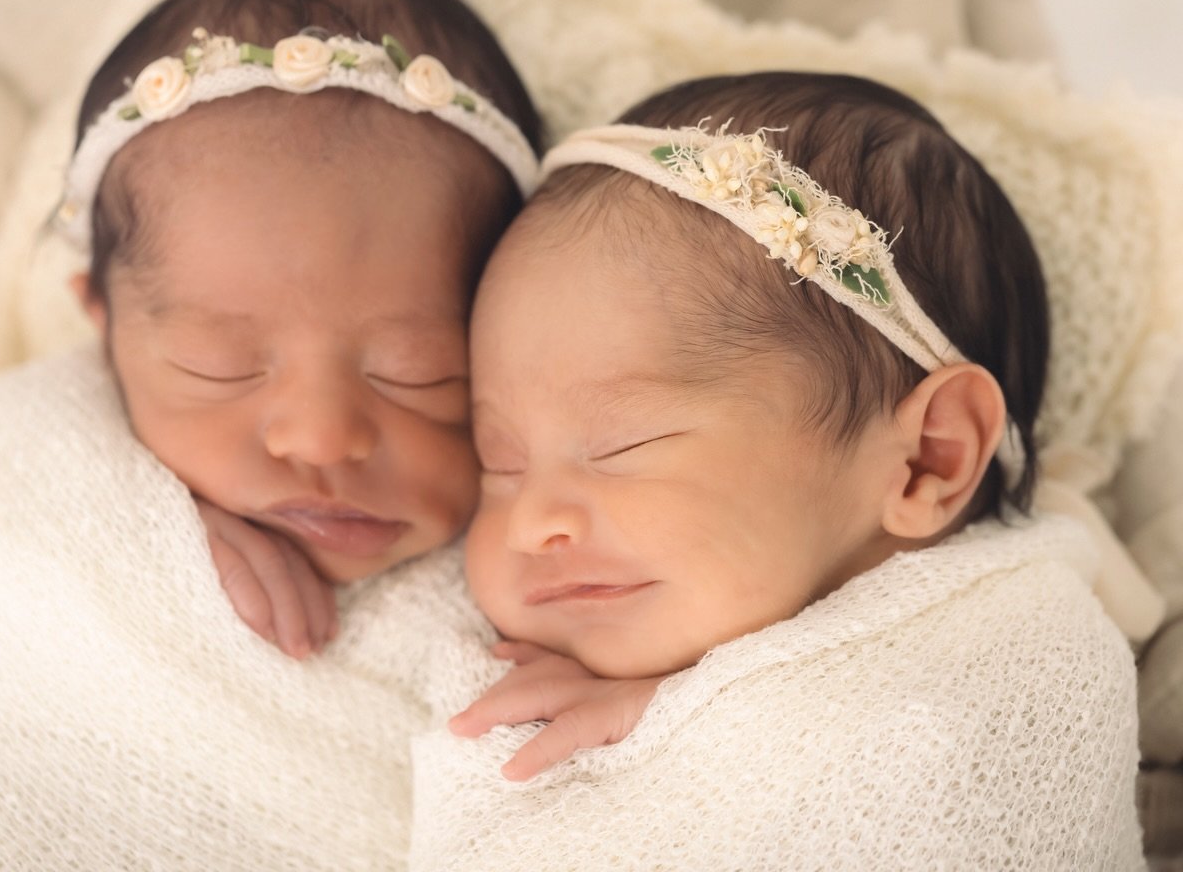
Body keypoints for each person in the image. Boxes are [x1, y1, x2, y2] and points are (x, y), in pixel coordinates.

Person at [0, 0, 543, 870]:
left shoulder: (551, 533)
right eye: (219, 366)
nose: (320, 436)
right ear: (102, 325)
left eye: (419, 374)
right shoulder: (36, 460)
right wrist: (137, 533)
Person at [416, 72, 1146, 870]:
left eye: (623, 445)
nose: (529, 523)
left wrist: (682, 719)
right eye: (499, 463)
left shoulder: (1022, 651)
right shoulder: (484, 648)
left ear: (925, 460)